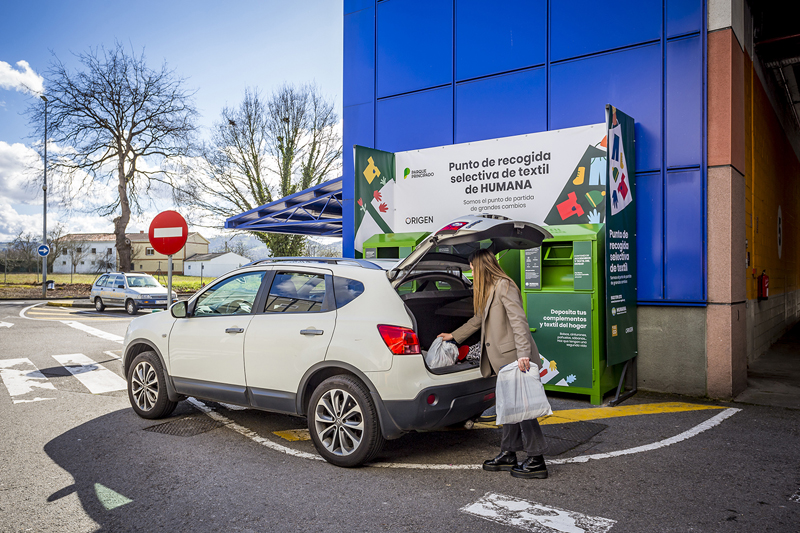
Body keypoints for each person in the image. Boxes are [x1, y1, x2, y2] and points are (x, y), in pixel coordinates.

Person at [438, 248, 548, 479]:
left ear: (481, 266)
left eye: (472, 267)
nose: (471, 271)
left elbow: (519, 321)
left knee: (524, 409)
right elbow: (478, 319)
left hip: (515, 357)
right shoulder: (488, 289)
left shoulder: (504, 285)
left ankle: (536, 460)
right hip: (502, 360)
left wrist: (523, 354)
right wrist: (454, 336)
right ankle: (508, 453)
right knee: (509, 407)